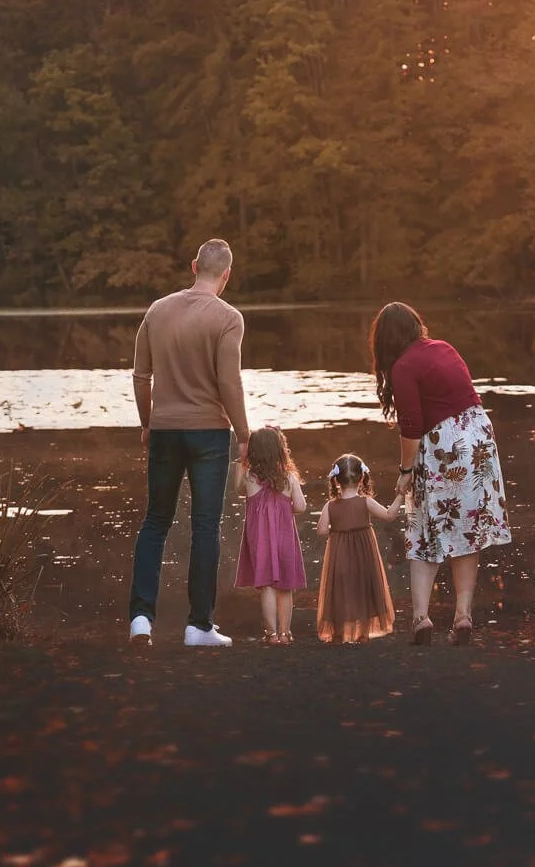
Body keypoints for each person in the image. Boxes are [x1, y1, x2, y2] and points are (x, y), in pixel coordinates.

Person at [127, 238, 249, 647]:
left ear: (194, 265)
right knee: (205, 527)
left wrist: (148, 423)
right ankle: (199, 627)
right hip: (210, 433)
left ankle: (141, 619)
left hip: (164, 429)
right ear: (226, 274)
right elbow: (229, 382)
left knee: (155, 521)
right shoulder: (228, 317)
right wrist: (245, 435)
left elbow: (140, 376)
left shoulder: (156, 310)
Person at [370, 301, 511, 645]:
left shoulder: (403, 367)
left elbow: (412, 428)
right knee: (467, 528)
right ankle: (462, 616)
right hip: (479, 439)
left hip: (444, 446)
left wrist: (405, 470)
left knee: (423, 530)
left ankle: (421, 618)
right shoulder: (444, 348)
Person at [313, 453, 402, 643]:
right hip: (364, 551)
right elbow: (388, 516)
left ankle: (338, 632)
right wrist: (401, 495)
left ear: (336, 480)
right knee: (363, 586)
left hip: (339, 552)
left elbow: (320, 531)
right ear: (362, 477)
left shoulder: (330, 505)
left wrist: (336, 531)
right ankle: (363, 633)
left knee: (339, 589)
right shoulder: (365, 501)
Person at [233, 425, 307, 644]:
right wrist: (283, 510)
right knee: (285, 585)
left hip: (260, 538)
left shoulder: (249, 477)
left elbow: (238, 490)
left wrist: (241, 461)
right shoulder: (290, 478)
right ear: (280, 450)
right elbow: (301, 507)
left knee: (266, 584)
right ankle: (286, 633)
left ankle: (271, 633)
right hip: (284, 535)